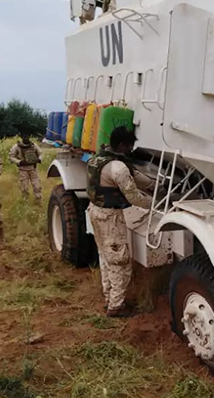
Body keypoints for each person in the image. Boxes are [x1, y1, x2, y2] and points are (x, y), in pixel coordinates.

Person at [87, 126, 154, 317]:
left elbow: (135, 177)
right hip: (110, 217)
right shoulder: (118, 167)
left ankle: (109, 297)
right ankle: (116, 307)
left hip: (95, 211)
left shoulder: (98, 159)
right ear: (123, 145)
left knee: (106, 256)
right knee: (120, 261)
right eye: (130, 146)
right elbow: (133, 196)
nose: (131, 150)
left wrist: (154, 185)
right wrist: (155, 203)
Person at [9, 134, 43, 202]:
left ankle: (38, 201)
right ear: (22, 138)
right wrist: (19, 162)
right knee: (24, 187)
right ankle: (25, 201)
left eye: (27, 136)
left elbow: (40, 153)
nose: (26, 138)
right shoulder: (17, 147)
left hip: (33, 169)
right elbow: (11, 157)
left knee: (37, 186)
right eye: (24, 137)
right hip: (23, 170)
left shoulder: (33, 145)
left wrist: (39, 159)